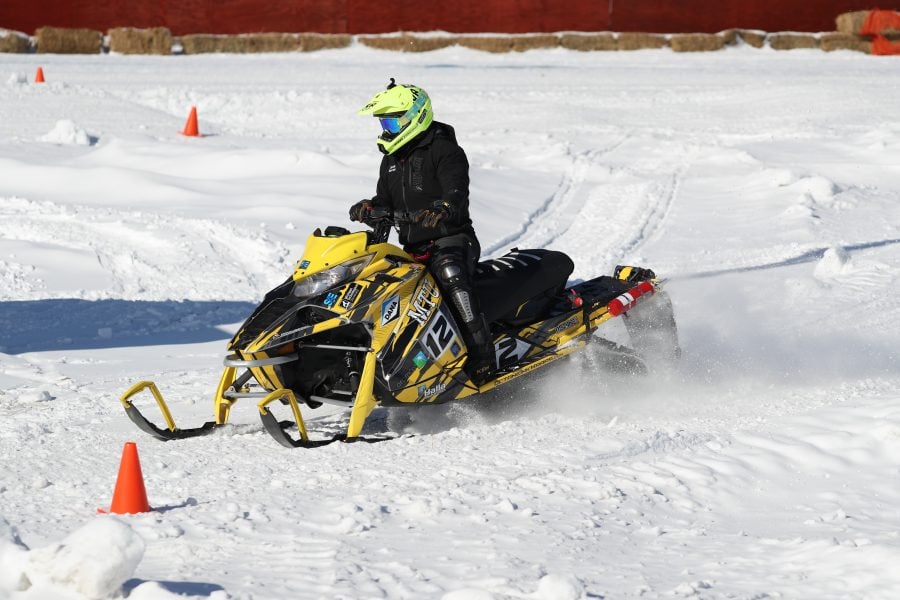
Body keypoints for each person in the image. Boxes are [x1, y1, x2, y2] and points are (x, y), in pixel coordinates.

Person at [350, 79, 495, 386]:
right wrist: (369, 208)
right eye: (384, 122)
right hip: (412, 247)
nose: (387, 128)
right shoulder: (391, 160)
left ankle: (483, 359)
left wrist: (443, 206)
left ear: (416, 115)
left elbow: (456, 190)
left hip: (452, 239)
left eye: (393, 120)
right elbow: (384, 202)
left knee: (450, 273)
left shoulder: (445, 151)